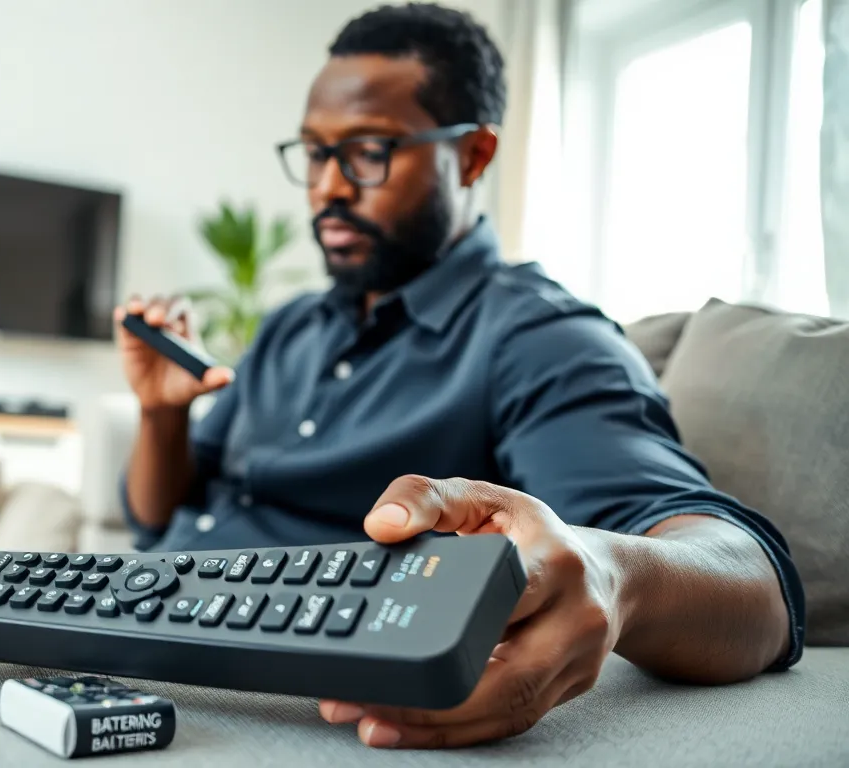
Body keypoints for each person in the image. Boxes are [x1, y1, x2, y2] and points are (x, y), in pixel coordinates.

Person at [111, 1, 806, 751]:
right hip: (130, 633)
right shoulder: (289, 327)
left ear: (473, 156)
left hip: (277, 706)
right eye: (314, 153)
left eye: (369, 150)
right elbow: (159, 517)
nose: (327, 189)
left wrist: (615, 575)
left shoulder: (537, 338)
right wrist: (160, 416)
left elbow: (755, 585)